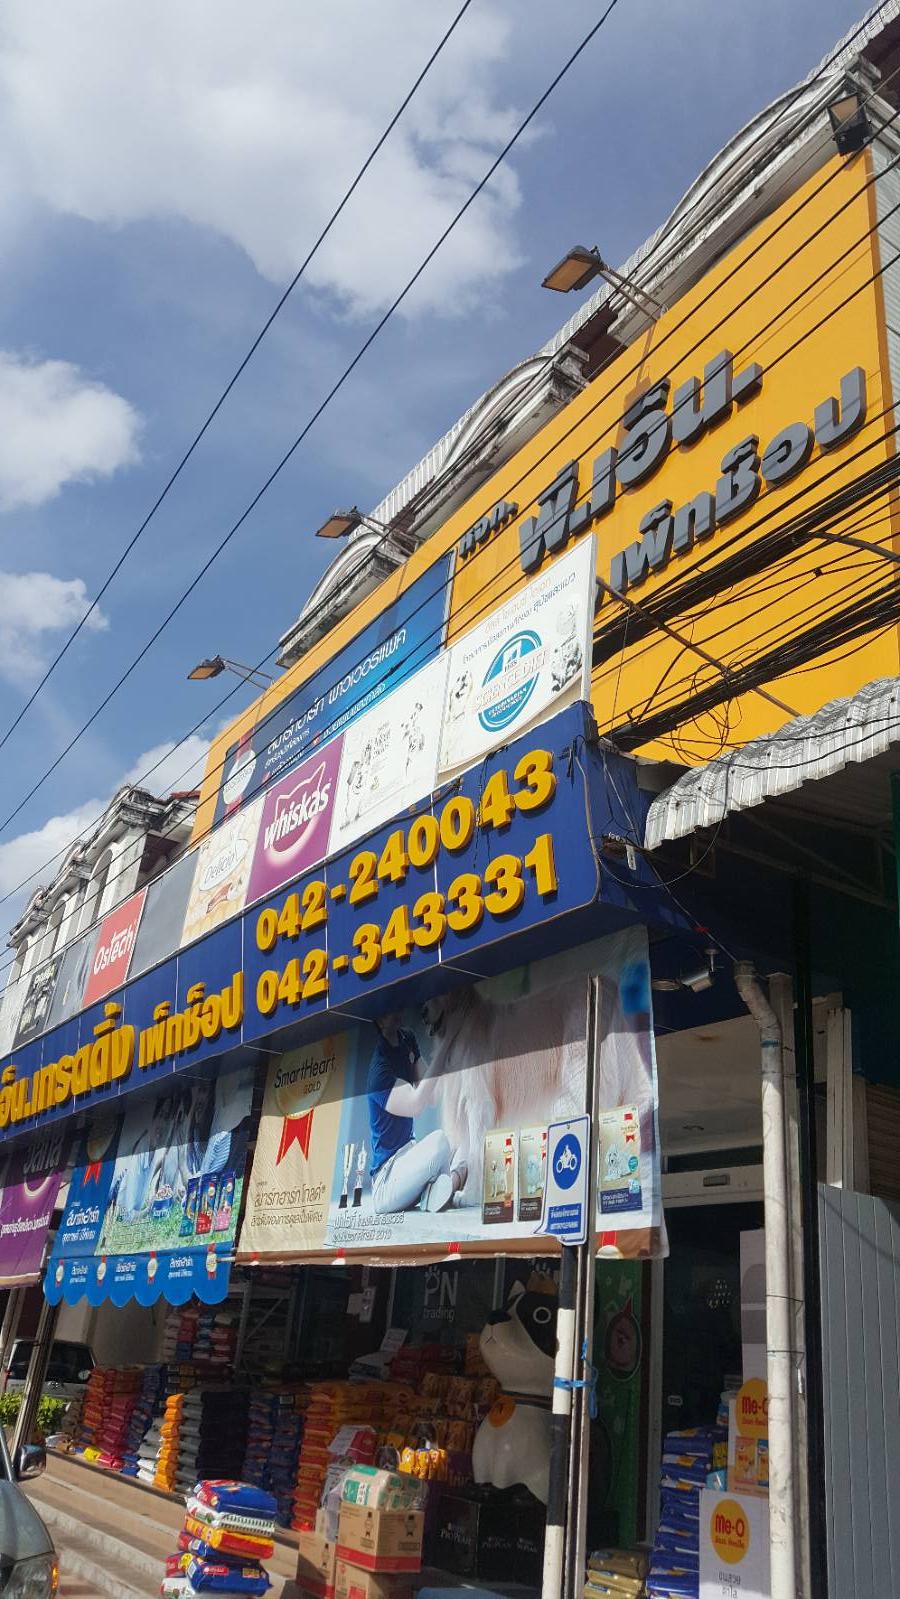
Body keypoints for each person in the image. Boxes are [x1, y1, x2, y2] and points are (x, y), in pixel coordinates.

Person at [366, 1012, 466, 1214]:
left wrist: (444, 1048)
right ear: (380, 1020)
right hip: (387, 1180)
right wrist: (446, 1043)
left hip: (410, 1159)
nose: (397, 1009)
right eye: (390, 1008)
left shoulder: (407, 1038)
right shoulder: (379, 1071)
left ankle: (439, 1191)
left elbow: (432, 1097)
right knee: (440, 1141)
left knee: (462, 1146)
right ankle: (449, 1185)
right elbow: (416, 1105)